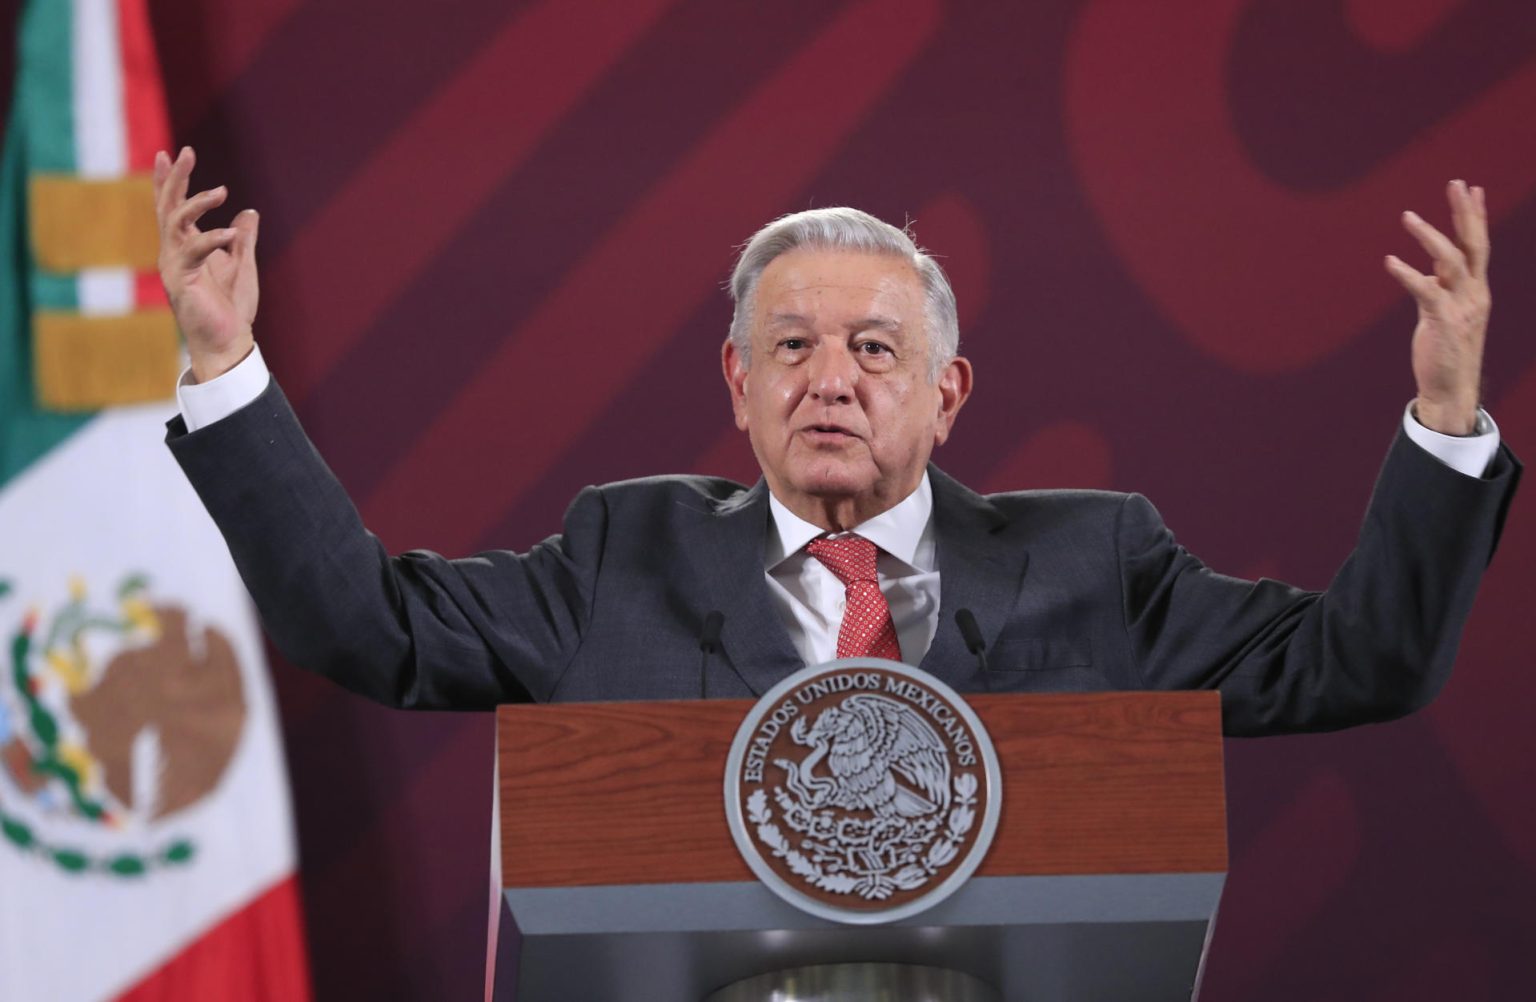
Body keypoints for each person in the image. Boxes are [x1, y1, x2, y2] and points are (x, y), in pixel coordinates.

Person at [152, 146, 1518, 736]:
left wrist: (1446, 419)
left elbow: (1367, 664)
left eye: (876, 350)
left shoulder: (1100, 561)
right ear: (737, 386)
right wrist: (227, 366)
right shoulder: (619, 551)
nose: (832, 380)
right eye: (792, 348)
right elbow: (366, 624)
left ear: (948, 394)